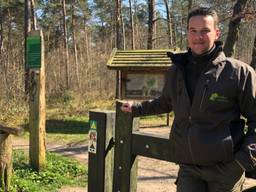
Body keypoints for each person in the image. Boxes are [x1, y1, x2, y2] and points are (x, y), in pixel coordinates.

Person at [121, 7, 256, 192]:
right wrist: (136, 108)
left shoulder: (239, 73)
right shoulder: (177, 69)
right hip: (189, 168)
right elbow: (166, 102)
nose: (198, 36)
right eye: (193, 31)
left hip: (225, 169)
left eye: (205, 31)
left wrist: (242, 161)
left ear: (217, 33)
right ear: (187, 33)